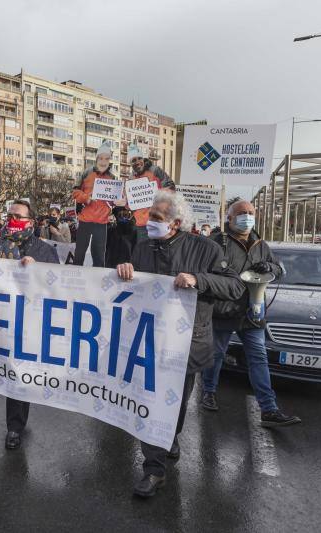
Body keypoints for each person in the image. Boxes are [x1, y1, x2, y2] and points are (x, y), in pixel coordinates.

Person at [116, 190, 244, 498]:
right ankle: (154, 469)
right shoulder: (143, 248)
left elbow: (236, 287)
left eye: (157, 218)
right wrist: (126, 272)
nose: (149, 222)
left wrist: (199, 280)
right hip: (149, 344)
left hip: (188, 345)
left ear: (176, 223)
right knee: (154, 403)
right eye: (149, 216)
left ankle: (171, 435)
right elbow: (134, 288)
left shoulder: (207, 249)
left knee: (176, 406)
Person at [201, 200, 301, 427]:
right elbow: (203, 271)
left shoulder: (260, 244)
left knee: (258, 358)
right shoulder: (218, 241)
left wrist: (271, 269)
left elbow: (278, 268)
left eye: (250, 213)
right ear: (229, 218)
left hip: (252, 311)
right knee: (216, 355)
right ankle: (208, 391)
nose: (246, 217)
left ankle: (269, 408)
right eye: (241, 213)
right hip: (223, 310)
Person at [0, 200, 60, 450]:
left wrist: (38, 271)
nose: (12, 220)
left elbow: (57, 286)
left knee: (20, 372)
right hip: (0, 320)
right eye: (10, 215)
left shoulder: (44, 250)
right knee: (7, 370)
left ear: (31, 223)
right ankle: (14, 426)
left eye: (18, 217)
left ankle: (16, 425)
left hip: (30, 322)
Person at [71, 142, 115, 266]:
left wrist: (118, 202)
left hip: (102, 223)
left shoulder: (113, 178)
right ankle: (75, 280)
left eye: (106, 158)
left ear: (109, 160)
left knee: (99, 257)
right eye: (101, 158)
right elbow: (75, 191)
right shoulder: (86, 173)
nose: (103, 161)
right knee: (79, 254)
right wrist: (86, 198)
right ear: (96, 159)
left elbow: (114, 201)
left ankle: (98, 283)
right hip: (85, 220)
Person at [127, 143, 175, 239]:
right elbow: (130, 204)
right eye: (133, 160)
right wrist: (126, 203)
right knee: (144, 252)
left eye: (139, 158)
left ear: (143, 159)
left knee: (158, 251)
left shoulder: (155, 170)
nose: (137, 162)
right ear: (131, 163)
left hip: (157, 221)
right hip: (141, 224)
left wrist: (157, 194)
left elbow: (171, 187)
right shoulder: (131, 178)